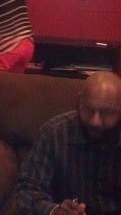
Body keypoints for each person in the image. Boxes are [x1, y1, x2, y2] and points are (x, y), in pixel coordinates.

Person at [15, 71, 121, 214]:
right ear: (78, 102)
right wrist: (54, 211)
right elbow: (27, 189)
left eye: (106, 113)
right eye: (88, 109)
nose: (95, 121)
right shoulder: (54, 133)